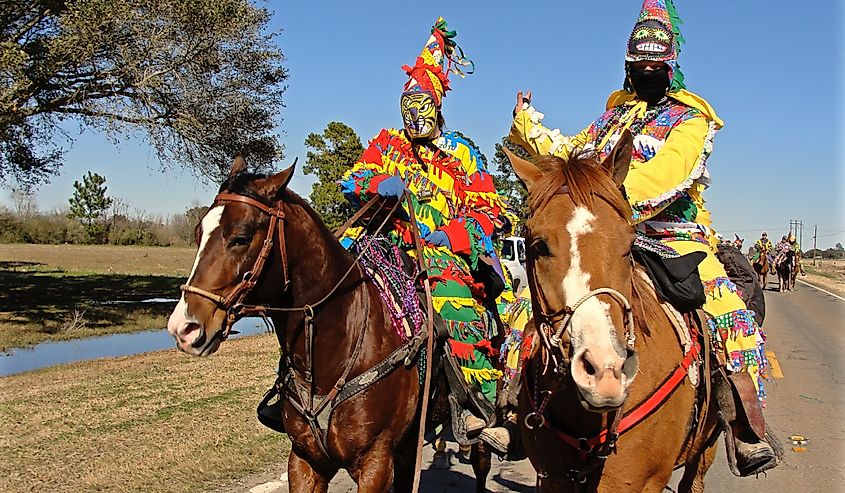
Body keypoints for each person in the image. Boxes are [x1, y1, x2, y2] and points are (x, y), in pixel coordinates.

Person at [507, 0, 778, 476]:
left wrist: (602, 198)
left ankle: (743, 428)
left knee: (729, 315)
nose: (648, 70)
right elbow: (572, 152)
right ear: (629, 66)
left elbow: (666, 174)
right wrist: (529, 124)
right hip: (603, 232)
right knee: (525, 308)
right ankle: (510, 411)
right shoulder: (611, 120)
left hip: (674, 238)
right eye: (640, 64)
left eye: (657, 64)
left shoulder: (690, 120)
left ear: (670, 65)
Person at [339, 17, 517, 443]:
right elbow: (353, 180)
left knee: (454, 302)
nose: (413, 117)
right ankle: (296, 388)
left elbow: (489, 210)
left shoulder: (462, 153)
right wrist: (378, 184)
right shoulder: (386, 146)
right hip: (382, 241)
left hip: (439, 253)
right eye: (407, 108)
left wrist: (453, 235)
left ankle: (478, 405)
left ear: (436, 106)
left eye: (421, 107)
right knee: (328, 275)